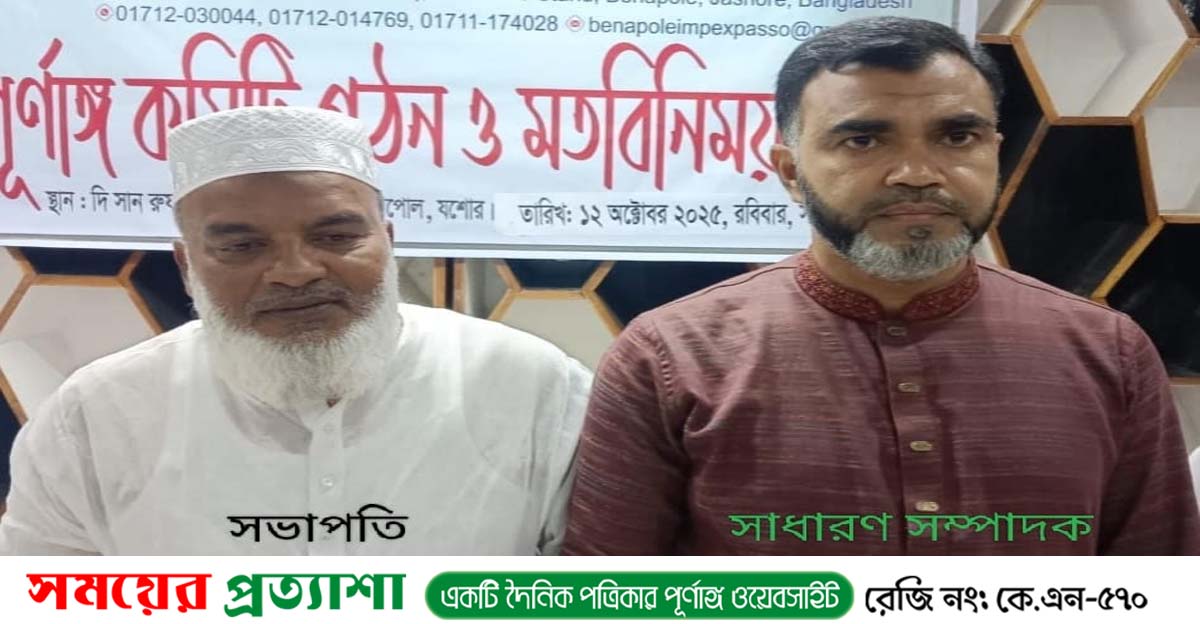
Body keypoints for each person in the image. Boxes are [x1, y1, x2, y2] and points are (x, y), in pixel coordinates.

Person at [561, 17, 1200, 555]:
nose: (917, 173)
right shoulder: (669, 357)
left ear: (994, 151)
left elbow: (1162, 592)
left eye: (957, 136)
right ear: (790, 172)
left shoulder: (1108, 352)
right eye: (864, 139)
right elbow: (607, 598)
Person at [0, 106, 591, 555]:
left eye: (336, 237)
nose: (295, 271)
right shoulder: (96, 418)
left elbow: (595, 594)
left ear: (388, 242)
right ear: (186, 266)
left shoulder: (534, 389)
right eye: (241, 246)